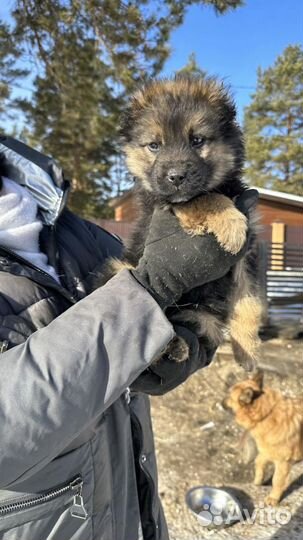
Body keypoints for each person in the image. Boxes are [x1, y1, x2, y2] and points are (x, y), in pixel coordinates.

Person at [0, 136, 256, 540]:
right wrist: (150, 293)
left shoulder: (65, 223)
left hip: (131, 508)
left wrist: (197, 339)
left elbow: (172, 286)